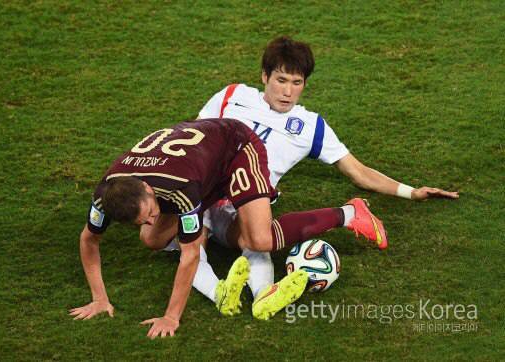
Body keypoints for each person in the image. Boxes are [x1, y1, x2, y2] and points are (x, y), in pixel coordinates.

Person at [187, 36, 459, 320]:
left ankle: (263, 297)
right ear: (264, 76)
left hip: (243, 205)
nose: (288, 92)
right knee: (186, 241)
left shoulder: (310, 126)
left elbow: (358, 171)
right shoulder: (232, 96)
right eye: (281, 80)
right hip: (204, 191)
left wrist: (411, 192)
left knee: (254, 240)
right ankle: (222, 293)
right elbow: (193, 141)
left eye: (297, 83)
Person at [69, 117, 386, 337]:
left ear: (149, 190)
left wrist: (171, 316)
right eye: (141, 219)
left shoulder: (178, 189)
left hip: (235, 147)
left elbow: (190, 254)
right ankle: (215, 224)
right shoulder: (104, 196)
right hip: (198, 162)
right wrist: (99, 298)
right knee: (152, 238)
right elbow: (89, 241)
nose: (151, 218)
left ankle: (348, 213)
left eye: (150, 211)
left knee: (259, 238)